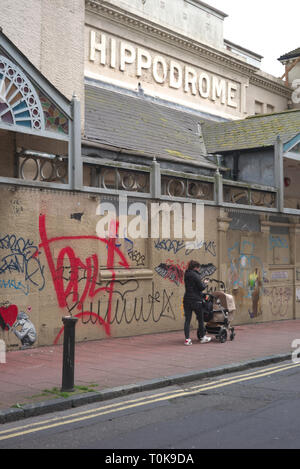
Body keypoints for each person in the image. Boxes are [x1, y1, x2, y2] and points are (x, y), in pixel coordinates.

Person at [183, 260, 211, 346]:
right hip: (196, 300)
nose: (199, 270)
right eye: (198, 268)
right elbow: (201, 287)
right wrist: (205, 283)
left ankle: (187, 339)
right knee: (200, 319)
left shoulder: (186, 274)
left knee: (187, 320)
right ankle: (202, 337)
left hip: (187, 299)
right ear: (195, 267)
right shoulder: (195, 275)